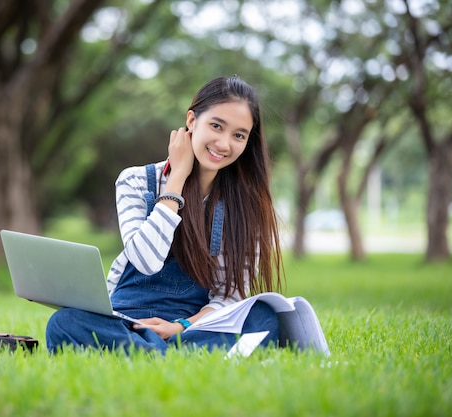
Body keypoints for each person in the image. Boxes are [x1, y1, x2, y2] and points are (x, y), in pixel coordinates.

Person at [46, 75, 284, 354]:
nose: (223, 143)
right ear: (192, 121)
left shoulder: (245, 206)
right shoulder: (135, 181)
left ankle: (153, 354)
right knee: (65, 322)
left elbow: (229, 296)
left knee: (264, 317)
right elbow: (146, 261)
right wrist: (177, 178)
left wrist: (181, 325)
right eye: (216, 126)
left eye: (238, 135)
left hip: (193, 328)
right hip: (127, 323)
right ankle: (174, 357)